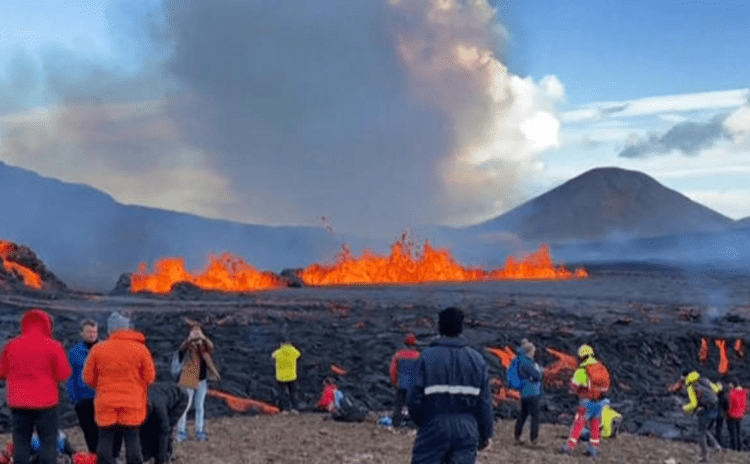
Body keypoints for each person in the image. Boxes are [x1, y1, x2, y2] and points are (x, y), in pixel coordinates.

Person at [408, 307, 494, 464]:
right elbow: (485, 402)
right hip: (467, 429)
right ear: (461, 328)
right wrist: (486, 433)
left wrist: (425, 421)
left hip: (434, 425)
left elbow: (413, 398)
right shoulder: (477, 360)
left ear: (440, 328)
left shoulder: (426, 357)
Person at [83, 311, 157, 464]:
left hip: (106, 401)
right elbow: (150, 377)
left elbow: (88, 378)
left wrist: (103, 386)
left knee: (105, 437)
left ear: (110, 330)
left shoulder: (98, 349)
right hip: (133, 402)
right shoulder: (141, 350)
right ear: (128, 329)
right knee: (132, 438)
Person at [0, 309, 72, 464]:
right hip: (46, 403)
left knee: (21, 442)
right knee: (48, 442)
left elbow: (2, 371)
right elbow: (64, 373)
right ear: (47, 326)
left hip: (18, 402)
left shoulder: (11, 346)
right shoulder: (54, 346)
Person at [562, 343, 611, 457]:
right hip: (600, 402)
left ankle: (570, 447)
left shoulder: (583, 370)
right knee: (595, 425)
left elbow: (574, 385)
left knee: (579, 424)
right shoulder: (601, 367)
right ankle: (593, 449)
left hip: (587, 401)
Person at [176, 324, 220, 442]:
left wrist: (203, 338)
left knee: (199, 406)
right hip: (189, 379)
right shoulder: (189, 346)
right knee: (186, 406)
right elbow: (181, 351)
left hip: (202, 380)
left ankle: (199, 431)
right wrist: (190, 340)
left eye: (198, 332)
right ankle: (181, 431)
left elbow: (211, 347)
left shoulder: (204, 346)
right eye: (195, 332)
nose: (197, 335)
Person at [67, 319, 101, 454]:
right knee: (89, 431)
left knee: (105, 431)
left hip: (102, 397)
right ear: (81, 333)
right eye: (89, 332)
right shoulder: (75, 353)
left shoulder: (105, 349)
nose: (92, 335)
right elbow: (71, 377)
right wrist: (75, 399)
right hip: (84, 398)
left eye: (94, 332)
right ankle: (94, 456)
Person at [141, 382, 189, 464]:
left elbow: (164, 430)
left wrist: (160, 460)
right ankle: (148, 455)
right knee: (147, 428)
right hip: (163, 394)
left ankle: (166, 454)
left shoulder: (158, 406)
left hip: (180, 399)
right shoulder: (142, 401)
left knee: (167, 426)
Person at [682, 370, 722, 462]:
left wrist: (685, 408)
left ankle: (705, 455)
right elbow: (717, 389)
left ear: (685, 377)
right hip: (715, 407)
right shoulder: (704, 380)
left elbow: (694, 404)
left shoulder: (691, 386)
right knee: (704, 429)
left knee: (700, 433)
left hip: (705, 409)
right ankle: (716, 446)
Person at [512, 339, 543, 446]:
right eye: (533, 350)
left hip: (525, 392)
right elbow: (537, 375)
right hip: (532, 393)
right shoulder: (527, 362)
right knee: (535, 415)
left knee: (523, 414)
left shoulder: (521, 360)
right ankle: (534, 439)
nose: (534, 352)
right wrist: (538, 372)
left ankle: (517, 436)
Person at [388, 333, 420, 427]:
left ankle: (396, 422)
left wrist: (395, 383)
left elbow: (393, 370)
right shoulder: (418, 356)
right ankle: (413, 423)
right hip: (414, 386)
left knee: (398, 405)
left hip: (401, 384)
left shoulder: (398, 355)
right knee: (414, 406)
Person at [272, 341, 302, 412]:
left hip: (281, 377)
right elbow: (299, 354)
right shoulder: (293, 351)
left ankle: (283, 408)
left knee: (282, 394)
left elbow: (273, 355)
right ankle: (295, 408)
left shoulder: (278, 352)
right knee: (293, 393)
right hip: (292, 376)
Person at [726, 379, 747, 451]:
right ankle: (739, 448)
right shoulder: (744, 392)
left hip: (732, 414)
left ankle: (734, 448)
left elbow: (730, 403)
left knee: (733, 432)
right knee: (739, 432)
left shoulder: (732, 392)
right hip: (740, 414)